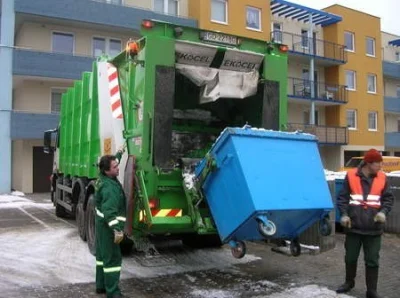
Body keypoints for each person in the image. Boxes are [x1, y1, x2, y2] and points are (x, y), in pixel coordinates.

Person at [336, 149, 394, 298]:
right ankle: (349, 282)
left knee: (372, 260)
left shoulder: (382, 178)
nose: (381, 166)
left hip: (373, 229)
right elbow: (342, 198)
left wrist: (383, 212)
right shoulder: (351, 176)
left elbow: (388, 199)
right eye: (378, 163)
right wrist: (343, 215)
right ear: (368, 163)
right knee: (350, 258)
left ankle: (371, 290)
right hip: (353, 227)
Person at [94, 146, 127, 298]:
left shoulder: (103, 176)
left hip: (101, 225)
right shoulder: (109, 188)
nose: (118, 168)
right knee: (112, 259)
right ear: (107, 171)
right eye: (115, 167)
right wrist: (117, 230)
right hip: (108, 228)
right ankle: (113, 293)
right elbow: (110, 212)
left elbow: (113, 161)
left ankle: (101, 286)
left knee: (101, 257)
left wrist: (120, 152)